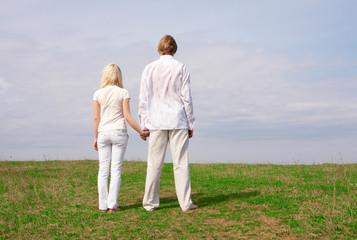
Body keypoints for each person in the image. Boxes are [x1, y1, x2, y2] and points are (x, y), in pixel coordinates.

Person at [138, 35, 198, 212]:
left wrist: (144, 123)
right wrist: (190, 123)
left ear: (160, 48)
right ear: (174, 49)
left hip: (156, 120)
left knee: (154, 164)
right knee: (180, 163)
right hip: (178, 120)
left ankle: (149, 203)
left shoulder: (149, 68)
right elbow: (186, 98)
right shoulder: (181, 68)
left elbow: (144, 98)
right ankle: (185, 203)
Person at [93, 63, 149, 213]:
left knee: (103, 170)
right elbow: (128, 116)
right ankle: (112, 205)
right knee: (116, 169)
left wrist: (96, 137)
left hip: (103, 132)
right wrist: (140, 131)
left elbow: (96, 119)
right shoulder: (123, 92)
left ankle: (102, 205)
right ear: (118, 75)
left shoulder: (98, 94)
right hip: (119, 132)